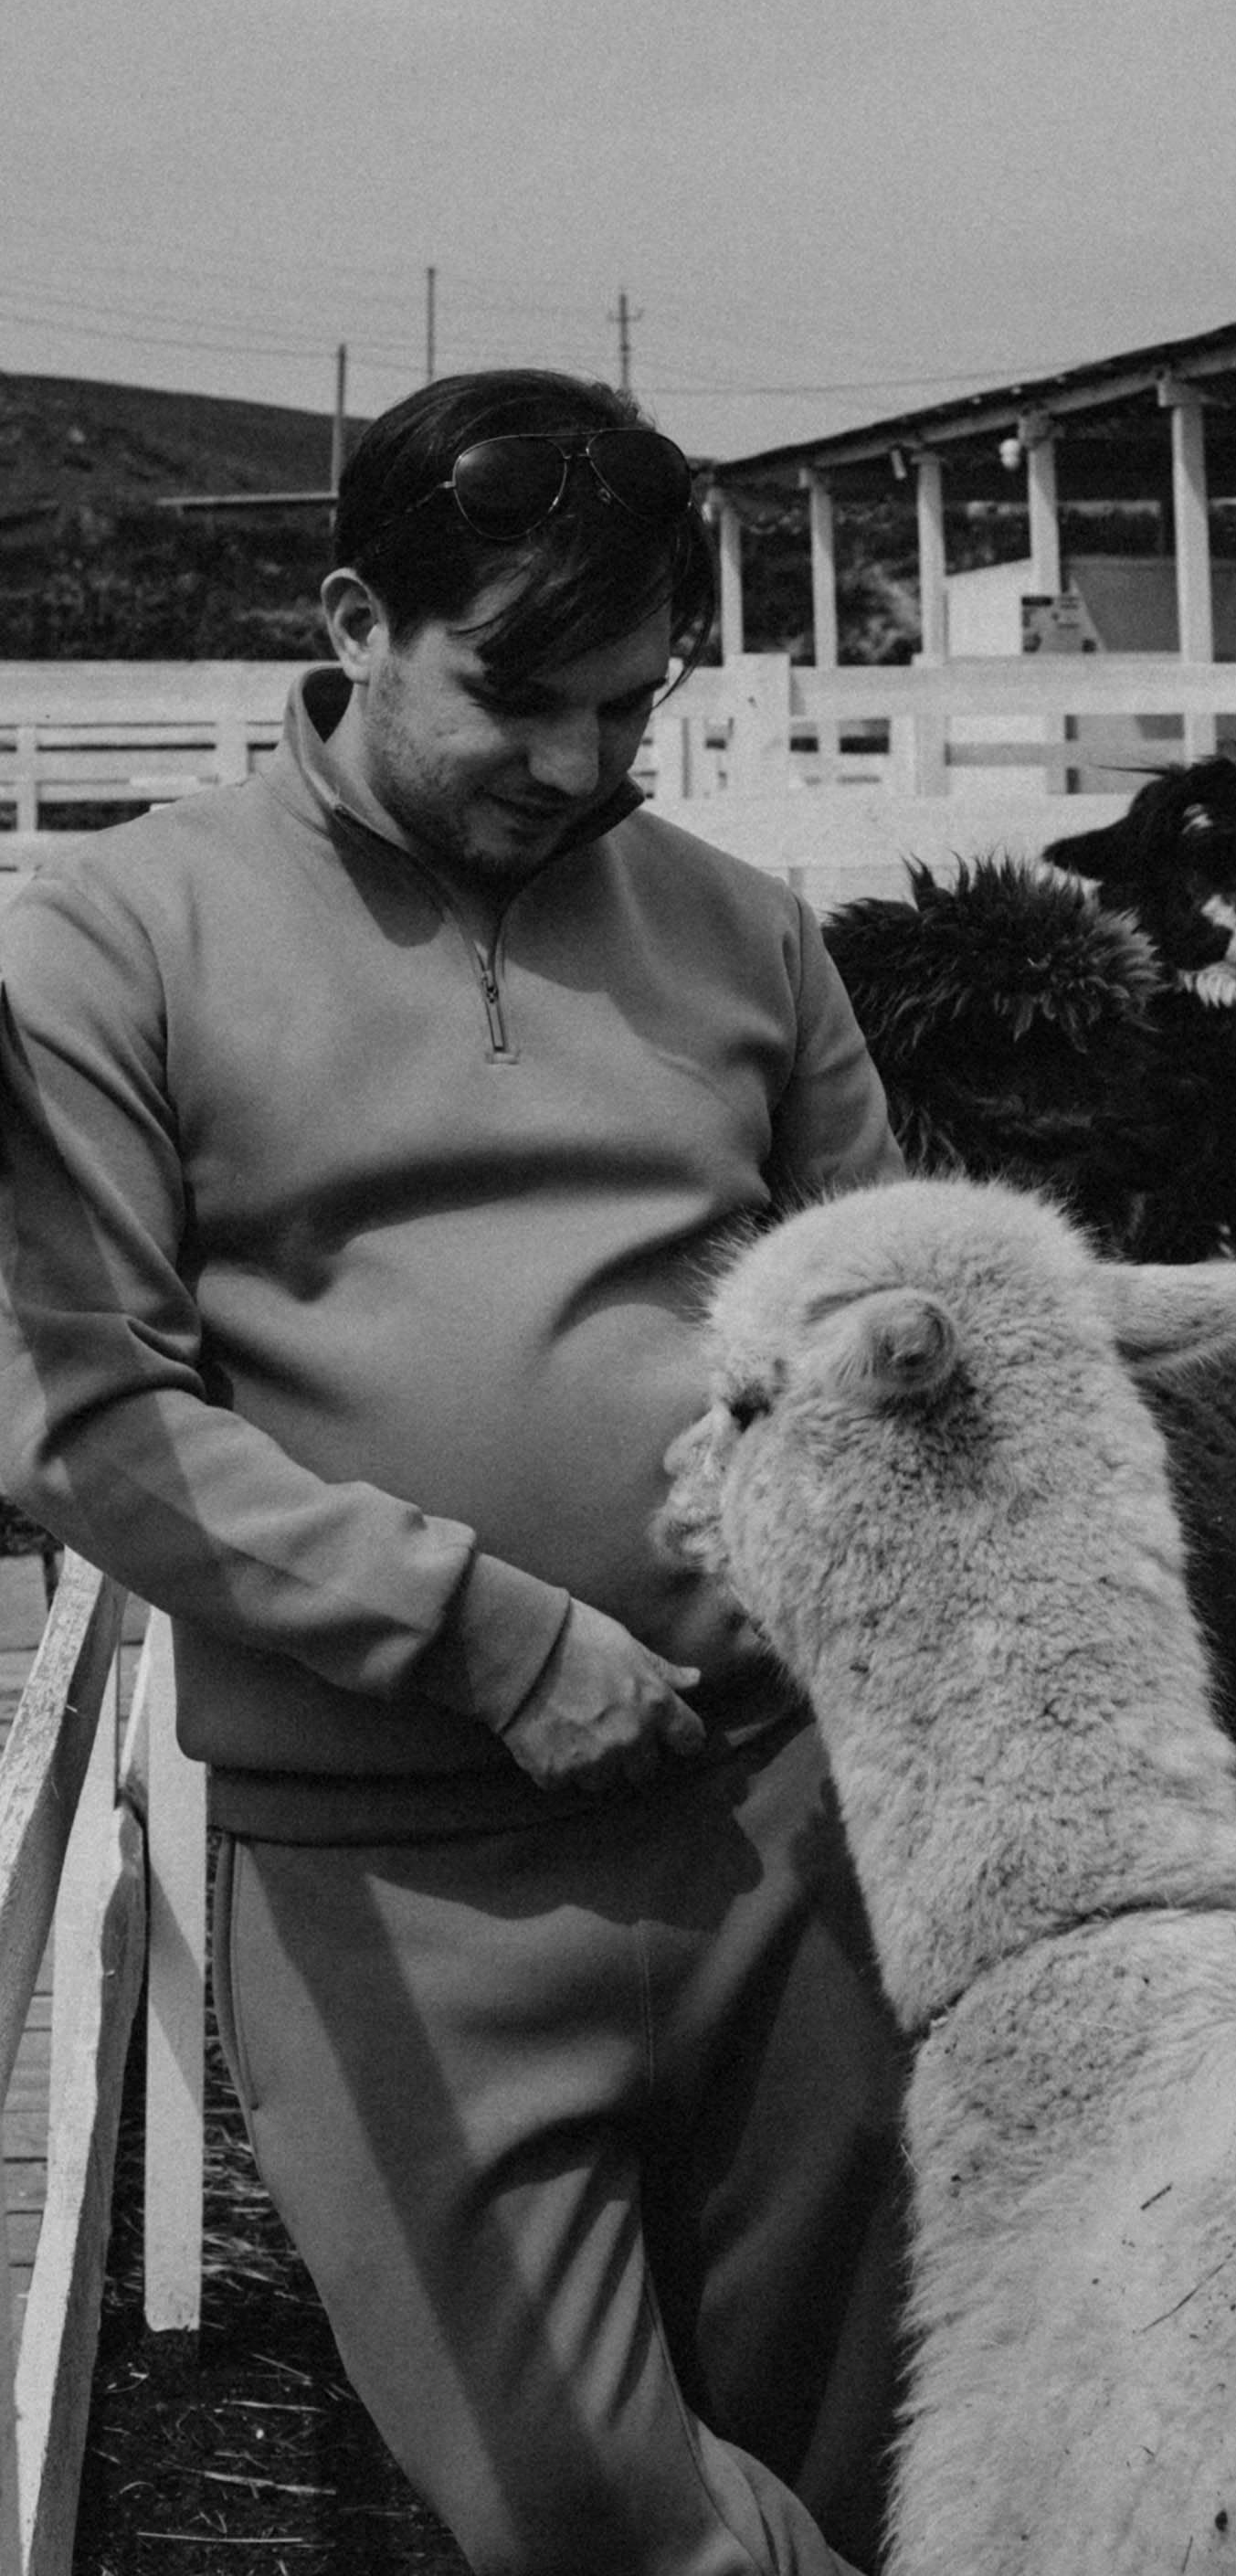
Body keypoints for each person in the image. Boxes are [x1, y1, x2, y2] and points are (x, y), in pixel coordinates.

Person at [0, 373, 908, 2576]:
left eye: (636, 708)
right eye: (522, 696)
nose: (585, 769)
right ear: (352, 618)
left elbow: (882, 1327)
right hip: (396, 1869)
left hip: (782, 1829)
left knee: (883, 2446)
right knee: (587, 2511)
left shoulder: (744, 936)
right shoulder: (108, 943)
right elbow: (82, 1419)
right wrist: (490, 1638)